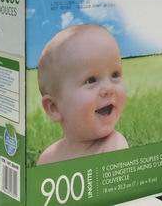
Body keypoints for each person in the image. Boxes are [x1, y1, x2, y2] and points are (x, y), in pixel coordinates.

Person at [36, 24, 128, 165]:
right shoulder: (48, 158)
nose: (109, 88)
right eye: (91, 80)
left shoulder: (113, 146)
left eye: (115, 75)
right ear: (54, 107)